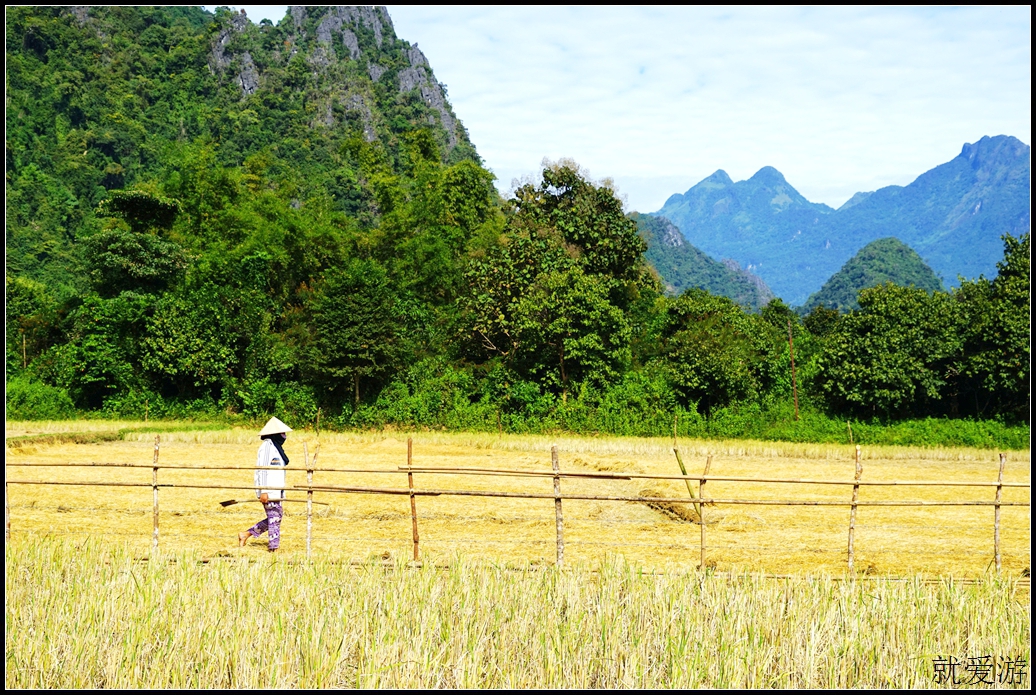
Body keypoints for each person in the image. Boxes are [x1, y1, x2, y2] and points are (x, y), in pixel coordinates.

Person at [239, 417, 292, 551]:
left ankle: (246, 534)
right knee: (274, 517)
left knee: (276, 517)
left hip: (277, 491)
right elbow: (262, 469)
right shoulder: (267, 446)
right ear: (275, 434)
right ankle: (274, 548)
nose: (284, 436)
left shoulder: (277, 448)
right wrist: (263, 491)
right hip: (269, 491)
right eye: (282, 433)